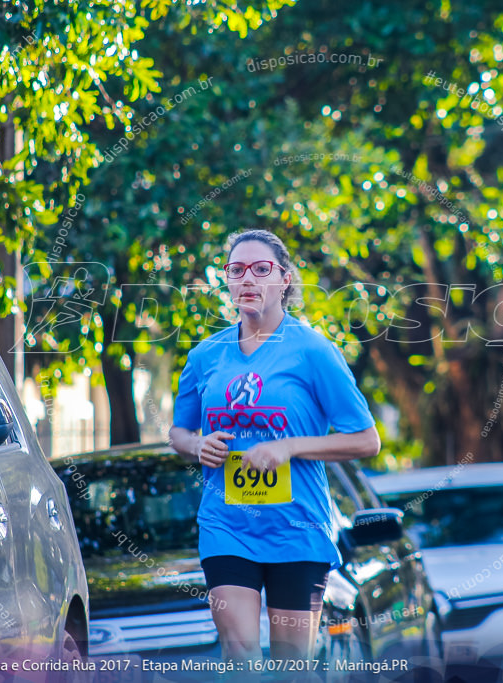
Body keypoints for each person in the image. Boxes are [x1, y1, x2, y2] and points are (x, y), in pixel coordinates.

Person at [169, 229, 381, 663]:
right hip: (226, 525)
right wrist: (197, 446)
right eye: (236, 270)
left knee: (291, 665)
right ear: (226, 281)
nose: (248, 279)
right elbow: (178, 432)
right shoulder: (206, 355)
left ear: (284, 280)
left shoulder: (313, 350)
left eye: (261, 269)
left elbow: (366, 440)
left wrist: (290, 448)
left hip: (297, 528)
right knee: (241, 655)